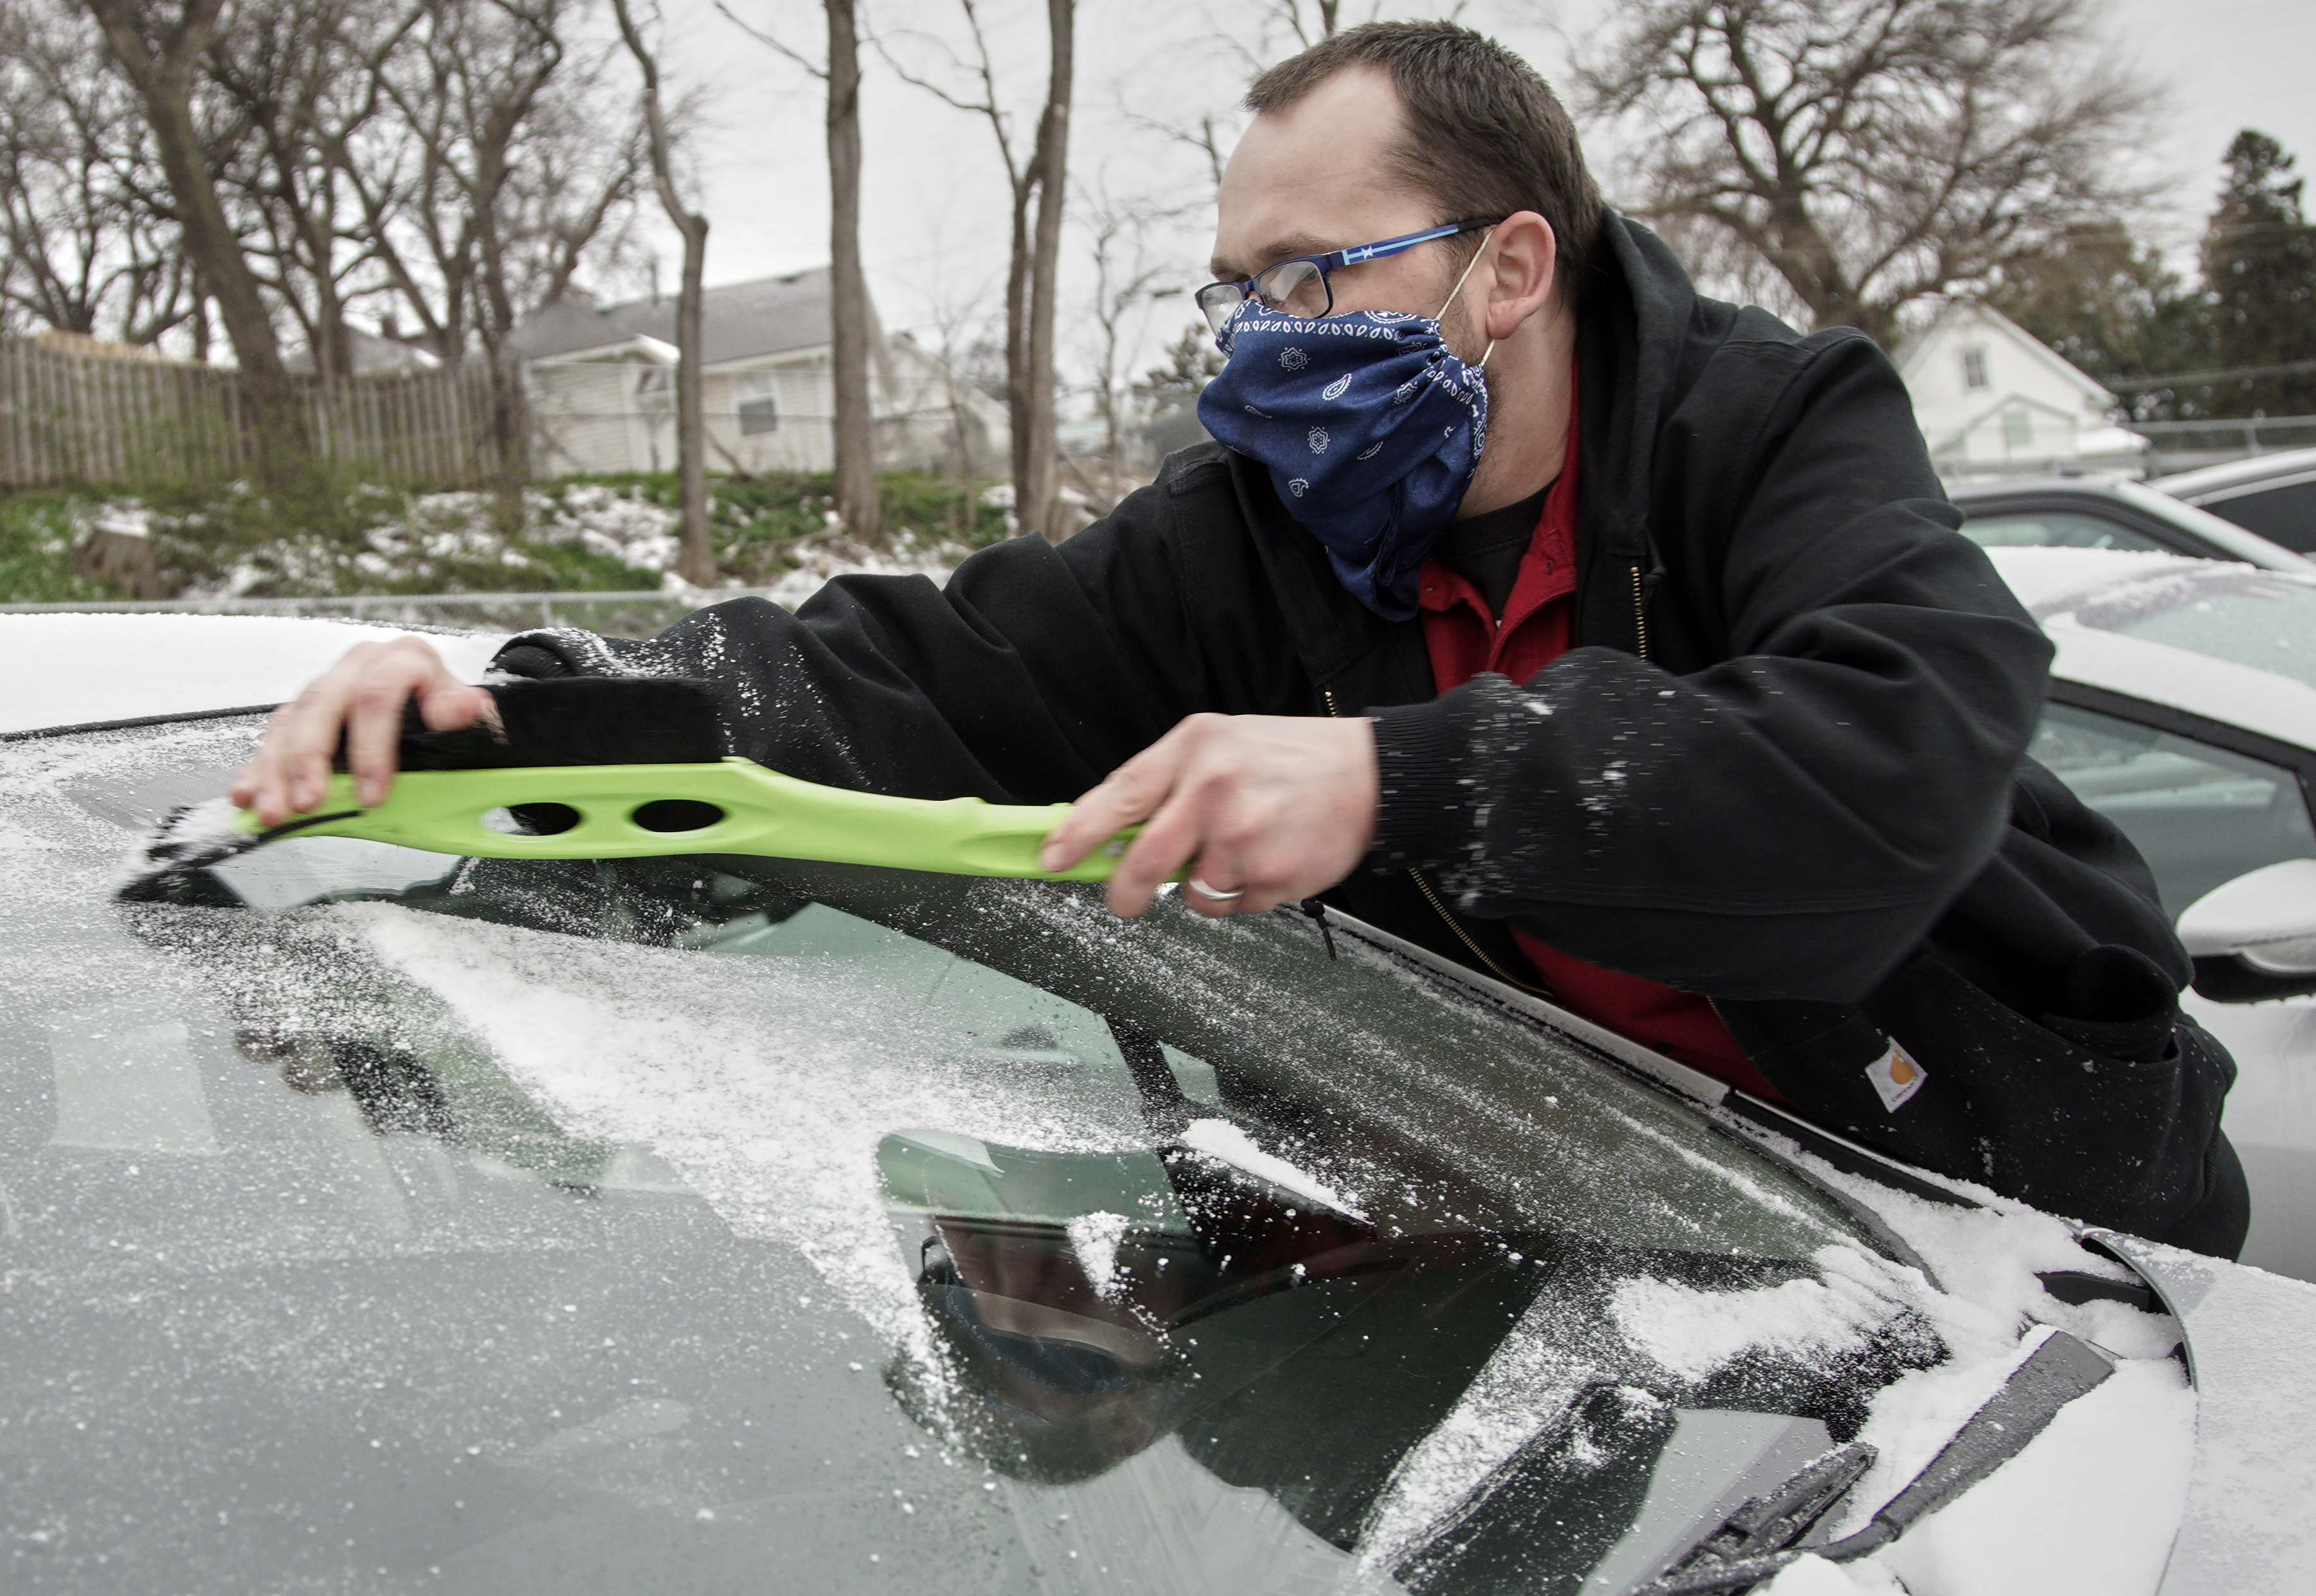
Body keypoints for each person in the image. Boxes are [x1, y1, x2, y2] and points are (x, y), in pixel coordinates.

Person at [232, 23, 2244, 1253]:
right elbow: (908, 675)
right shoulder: (1247, 543)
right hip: (1647, 1235)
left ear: (1507, 266)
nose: (1260, 339)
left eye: (1314, 272)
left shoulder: (1770, 426)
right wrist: (511, 713)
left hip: (2016, 1216)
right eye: (1235, 289)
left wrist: (1384, 777)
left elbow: (1883, 760)